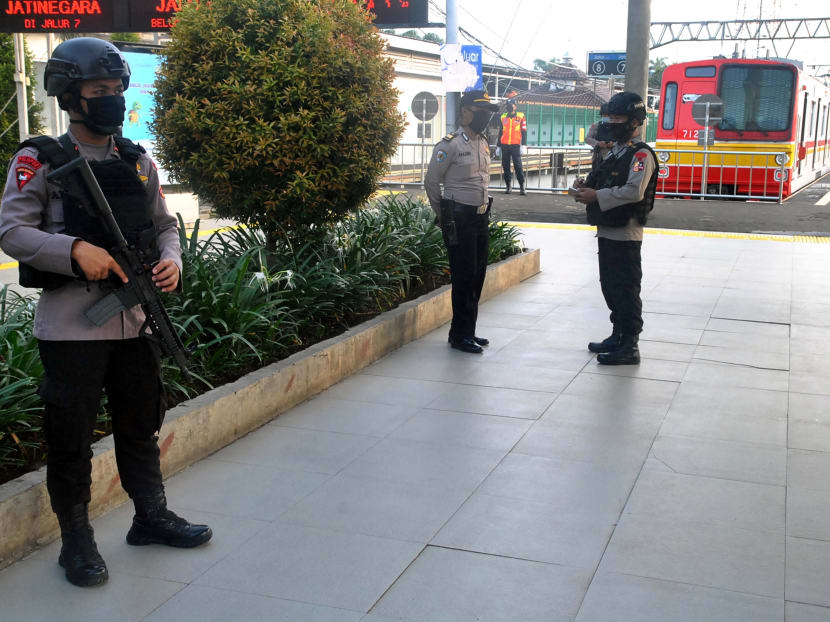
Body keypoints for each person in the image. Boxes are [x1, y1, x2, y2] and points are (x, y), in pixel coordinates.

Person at [0, 37, 211, 588]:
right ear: (72, 97)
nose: (112, 99)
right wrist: (72, 251)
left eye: (118, 90)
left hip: (135, 319)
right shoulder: (39, 160)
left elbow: (165, 225)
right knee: (70, 438)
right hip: (72, 329)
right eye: (100, 91)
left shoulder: (138, 161)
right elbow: (12, 230)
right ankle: (76, 543)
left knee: (140, 425)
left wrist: (172, 260)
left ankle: (150, 516)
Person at [571, 91, 658, 365]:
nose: (611, 122)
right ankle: (617, 333)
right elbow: (603, 182)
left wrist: (596, 196)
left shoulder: (640, 154)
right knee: (609, 285)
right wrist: (585, 187)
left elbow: (634, 191)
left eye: (618, 117)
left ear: (634, 121)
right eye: (610, 116)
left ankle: (630, 344)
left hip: (626, 231)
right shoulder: (615, 152)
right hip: (608, 228)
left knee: (625, 287)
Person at [424, 90, 499, 354]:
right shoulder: (451, 144)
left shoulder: (483, 142)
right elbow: (432, 182)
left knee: (477, 275)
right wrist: (444, 215)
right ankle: (460, 336)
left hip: (480, 216)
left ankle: (466, 331)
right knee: (464, 276)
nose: (486, 117)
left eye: (488, 113)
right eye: (481, 112)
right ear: (465, 111)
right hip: (460, 217)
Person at [496, 99, 527, 195]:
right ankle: (508, 187)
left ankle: (522, 187)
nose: (509, 106)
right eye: (508, 105)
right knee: (506, 167)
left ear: (515, 106)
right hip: (504, 145)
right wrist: (498, 146)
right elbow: (500, 132)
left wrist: (524, 145)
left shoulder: (521, 116)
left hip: (515, 145)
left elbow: (524, 131)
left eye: (511, 105)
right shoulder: (503, 117)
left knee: (518, 166)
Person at [585, 103, 613, 169]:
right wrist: (598, 143)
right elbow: (587, 139)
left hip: (613, 157)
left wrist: (613, 144)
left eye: (608, 115)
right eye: (604, 115)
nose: (606, 117)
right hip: (598, 157)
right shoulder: (596, 126)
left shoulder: (617, 126)